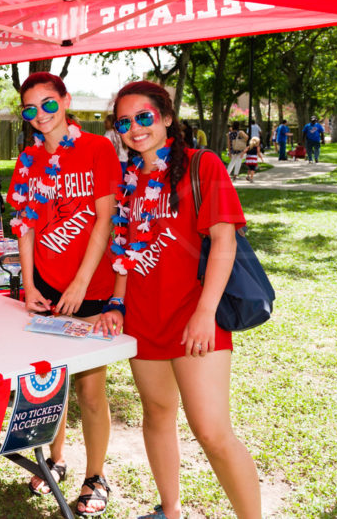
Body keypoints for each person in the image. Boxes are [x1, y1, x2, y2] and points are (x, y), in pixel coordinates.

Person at [97, 81, 261, 519]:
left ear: (167, 118)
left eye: (145, 117)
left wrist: (206, 313)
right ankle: (170, 510)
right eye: (125, 122)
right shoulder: (128, 181)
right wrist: (116, 305)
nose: (136, 128)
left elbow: (224, 239)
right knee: (156, 413)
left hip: (195, 316)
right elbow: (124, 252)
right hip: (143, 318)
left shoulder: (201, 164)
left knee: (211, 431)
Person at [6, 72, 120, 516]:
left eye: (48, 104)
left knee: (90, 390)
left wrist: (80, 283)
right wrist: (31, 285)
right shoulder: (27, 162)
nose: (40, 115)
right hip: (46, 289)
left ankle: (96, 475)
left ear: (66, 101)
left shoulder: (98, 149)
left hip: (91, 289)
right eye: (30, 109)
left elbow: (104, 220)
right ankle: (55, 460)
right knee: (50, 384)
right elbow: (26, 227)